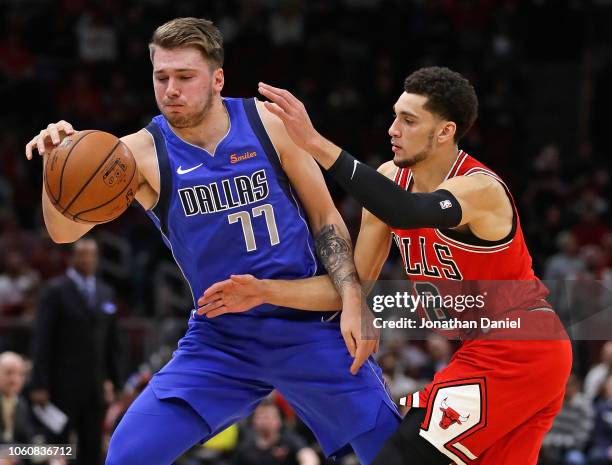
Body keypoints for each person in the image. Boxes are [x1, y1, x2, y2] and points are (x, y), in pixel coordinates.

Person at [24, 17, 400, 465]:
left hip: (307, 324)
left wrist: (353, 298)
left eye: (185, 77)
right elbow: (63, 231)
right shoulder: (138, 153)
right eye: (161, 77)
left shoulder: (267, 122)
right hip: (222, 338)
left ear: (217, 79)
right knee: (127, 453)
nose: (171, 89)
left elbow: (326, 219)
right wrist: (56, 165)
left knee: (393, 450)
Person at [199, 67, 573, 465]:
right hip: (487, 349)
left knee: (400, 456)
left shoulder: (480, 188)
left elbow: (408, 211)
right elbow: (350, 285)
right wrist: (262, 291)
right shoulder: (389, 178)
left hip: (521, 345)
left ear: (445, 132)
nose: (393, 129)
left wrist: (314, 144)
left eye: (409, 121)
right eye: (395, 115)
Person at [30, 239, 121, 465]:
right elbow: (42, 338)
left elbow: (112, 342)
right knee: (58, 447)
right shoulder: (54, 290)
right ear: (71, 258)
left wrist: (116, 382)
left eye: (92, 255)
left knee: (91, 446)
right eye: (82, 254)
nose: (88, 259)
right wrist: (39, 383)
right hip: (61, 384)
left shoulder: (106, 291)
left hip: (95, 386)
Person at [233, 397, 319, 465]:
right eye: (260, 417)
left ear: (279, 420)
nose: (265, 421)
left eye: (268, 417)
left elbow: (308, 456)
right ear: (254, 421)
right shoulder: (246, 446)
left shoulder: (289, 440)